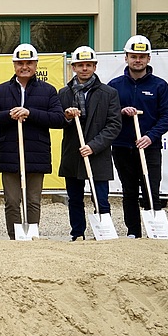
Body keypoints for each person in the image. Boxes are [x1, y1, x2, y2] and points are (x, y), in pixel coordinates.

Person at [0, 44, 66, 240]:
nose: (25, 67)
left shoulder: (48, 90)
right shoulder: (2, 89)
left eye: (29, 63)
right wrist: (9, 115)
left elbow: (58, 119)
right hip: (9, 152)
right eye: (20, 63)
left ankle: (32, 235)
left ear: (36, 65)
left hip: (36, 152)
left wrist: (30, 114)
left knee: (33, 200)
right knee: (12, 201)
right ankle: (15, 237)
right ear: (14, 65)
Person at [108, 35, 168, 238]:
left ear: (149, 58)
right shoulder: (114, 85)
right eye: (134, 56)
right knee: (128, 192)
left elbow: (167, 116)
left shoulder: (159, 86)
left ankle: (154, 230)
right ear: (126, 57)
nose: (138, 60)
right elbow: (107, 113)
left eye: (142, 56)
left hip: (149, 147)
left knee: (150, 189)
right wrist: (120, 111)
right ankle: (133, 232)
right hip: (122, 146)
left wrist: (151, 137)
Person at [58, 46, 121, 241]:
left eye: (88, 65)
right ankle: (77, 234)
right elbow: (57, 121)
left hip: (98, 153)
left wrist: (94, 146)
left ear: (95, 66)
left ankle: (103, 233)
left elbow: (114, 125)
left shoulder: (109, 93)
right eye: (80, 65)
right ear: (73, 67)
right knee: (75, 199)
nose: (84, 69)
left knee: (101, 198)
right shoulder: (64, 93)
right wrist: (67, 117)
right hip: (73, 152)